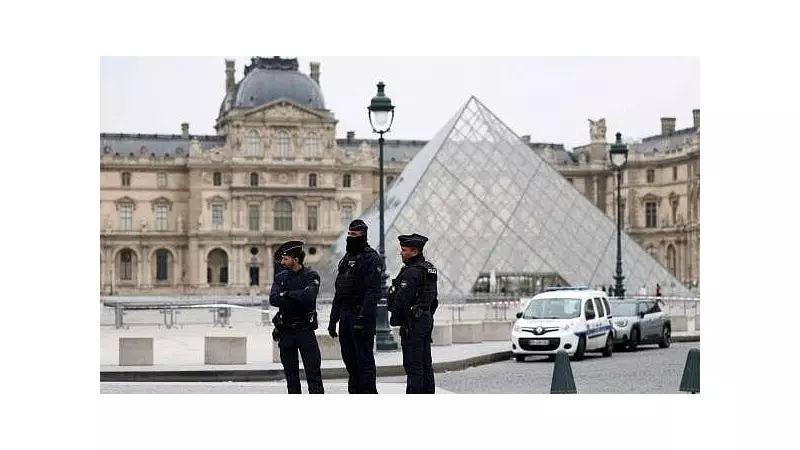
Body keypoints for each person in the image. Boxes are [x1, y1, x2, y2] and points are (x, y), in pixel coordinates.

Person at [328, 220, 382, 394]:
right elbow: (339, 291)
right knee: (350, 360)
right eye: (349, 234)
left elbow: (373, 293)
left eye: (354, 234)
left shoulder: (371, 259)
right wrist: (333, 319)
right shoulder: (346, 259)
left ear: (363, 236)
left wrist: (362, 318)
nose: (350, 237)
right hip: (345, 315)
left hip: (361, 316)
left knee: (364, 361)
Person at [269, 240, 324, 394]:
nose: (282, 262)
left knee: (313, 374)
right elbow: (273, 299)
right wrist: (297, 296)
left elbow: (309, 296)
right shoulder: (280, 277)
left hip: (305, 331)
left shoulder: (311, 276)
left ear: (296, 259)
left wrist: (286, 294)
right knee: (291, 376)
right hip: (285, 331)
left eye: (285, 258)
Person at [387, 233, 439, 394]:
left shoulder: (411, 273)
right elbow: (434, 299)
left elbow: (401, 301)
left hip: (412, 323)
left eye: (404, 250)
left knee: (413, 366)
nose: (401, 253)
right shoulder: (429, 269)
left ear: (415, 252)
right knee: (425, 364)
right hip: (425, 319)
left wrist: (395, 319)